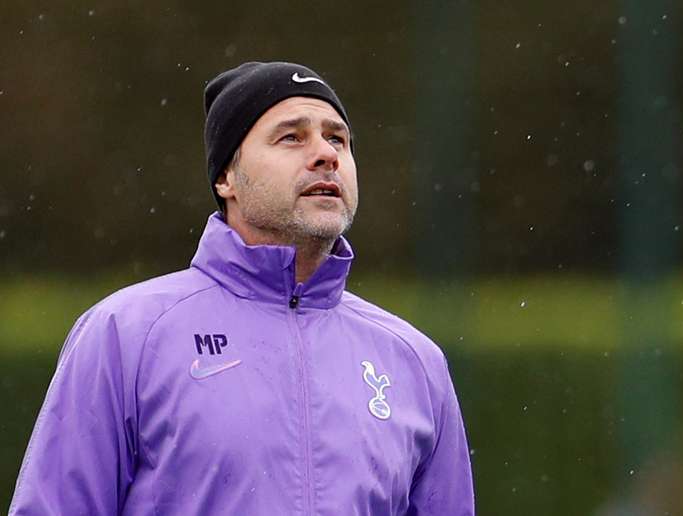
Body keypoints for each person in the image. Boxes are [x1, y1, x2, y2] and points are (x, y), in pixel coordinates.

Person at [9, 61, 475, 515]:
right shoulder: (126, 334)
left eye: (338, 138)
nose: (326, 154)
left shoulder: (415, 362)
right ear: (225, 177)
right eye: (291, 137)